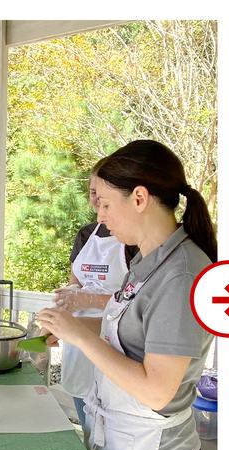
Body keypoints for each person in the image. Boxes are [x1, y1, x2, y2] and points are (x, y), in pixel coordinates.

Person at [34, 140, 216, 450]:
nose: (100, 216)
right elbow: (126, 334)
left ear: (139, 197)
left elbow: (157, 388)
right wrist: (66, 328)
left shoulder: (182, 274)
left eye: (106, 203)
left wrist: (79, 333)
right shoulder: (147, 261)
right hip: (127, 437)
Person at [55, 168, 138, 427]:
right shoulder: (85, 234)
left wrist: (88, 301)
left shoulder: (133, 241)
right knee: (85, 417)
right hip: (78, 343)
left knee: (112, 421)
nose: (96, 202)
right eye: (92, 194)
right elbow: (75, 283)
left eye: (102, 198)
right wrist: (66, 300)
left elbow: (137, 301)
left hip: (116, 343)